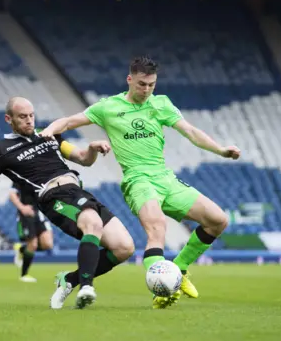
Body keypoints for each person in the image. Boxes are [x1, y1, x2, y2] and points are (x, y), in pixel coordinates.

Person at [40, 56, 241, 309]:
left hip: (166, 178)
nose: (146, 90)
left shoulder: (161, 104)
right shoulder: (108, 107)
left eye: (151, 85)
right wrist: (49, 131)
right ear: (129, 80)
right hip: (138, 180)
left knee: (218, 220)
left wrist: (221, 151)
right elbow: (68, 122)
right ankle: (161, 290)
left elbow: (190, 131)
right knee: (157, 230)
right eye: (142, 84)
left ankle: (178, 270)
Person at [0, 97, 135, 309]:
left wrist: (92, 148)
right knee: (93, 223)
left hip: (78, 191)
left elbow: (83, 159)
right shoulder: (2, 150)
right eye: (22, 117)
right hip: (53, 197)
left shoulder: (49, 135)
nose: (29, 121)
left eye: (31, 115)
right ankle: (86, 288)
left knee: (124, 248)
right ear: (9, 119)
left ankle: (70, 281)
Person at [10, 182, 54, 283]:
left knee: (48, 244)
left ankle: (22, 249)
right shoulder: (20, 176)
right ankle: (24, 275)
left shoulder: (43, 176)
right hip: (27, 212)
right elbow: (12, 194)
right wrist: (22, 207)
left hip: (40, 212)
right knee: (33, 244)